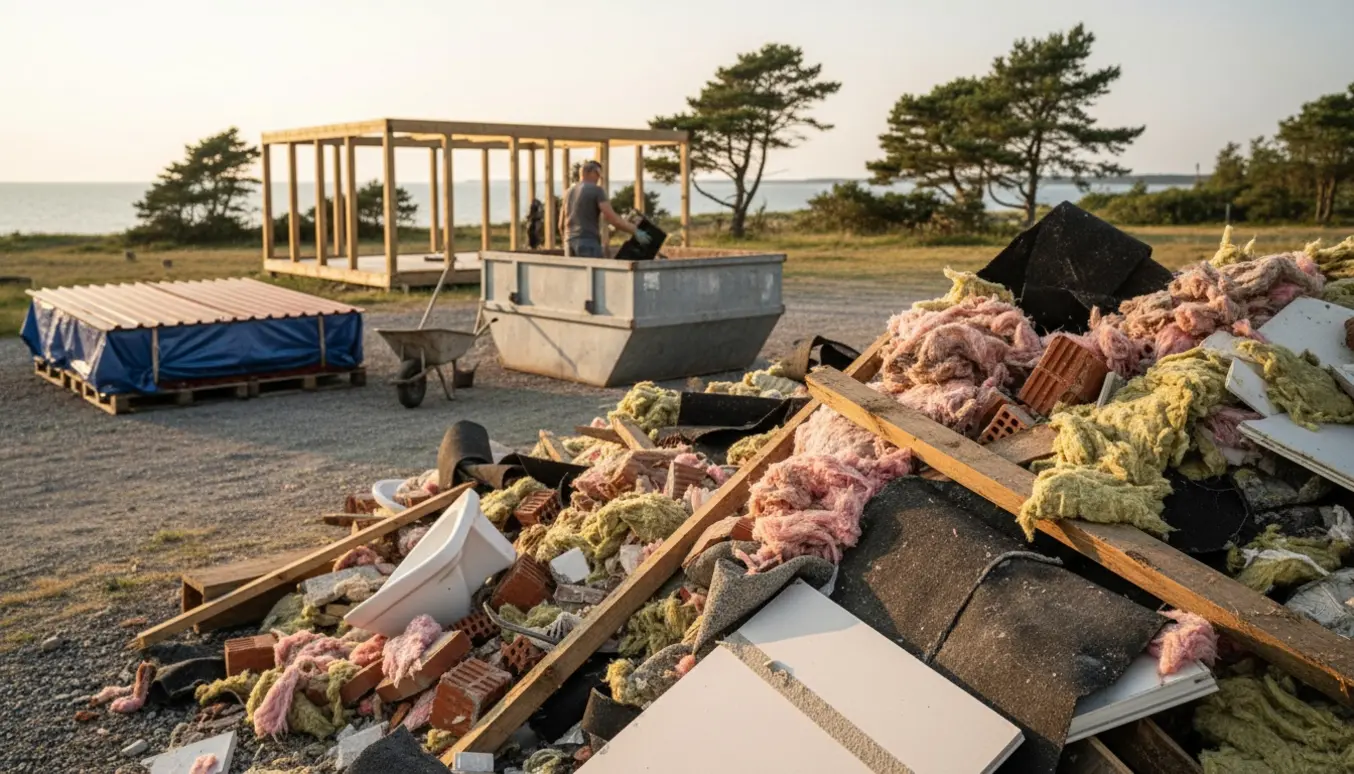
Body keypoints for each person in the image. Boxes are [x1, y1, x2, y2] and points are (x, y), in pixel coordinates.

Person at [560, 160, 649, 257]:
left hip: (569, 243)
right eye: (598, 174)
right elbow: (612, 218)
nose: (598, 178)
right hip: (588, 243)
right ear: (592, 173)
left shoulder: (568, 192)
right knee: (593, 272)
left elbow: (560, 225)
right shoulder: (597, 190)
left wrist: (566, 241)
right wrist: (636, 231)